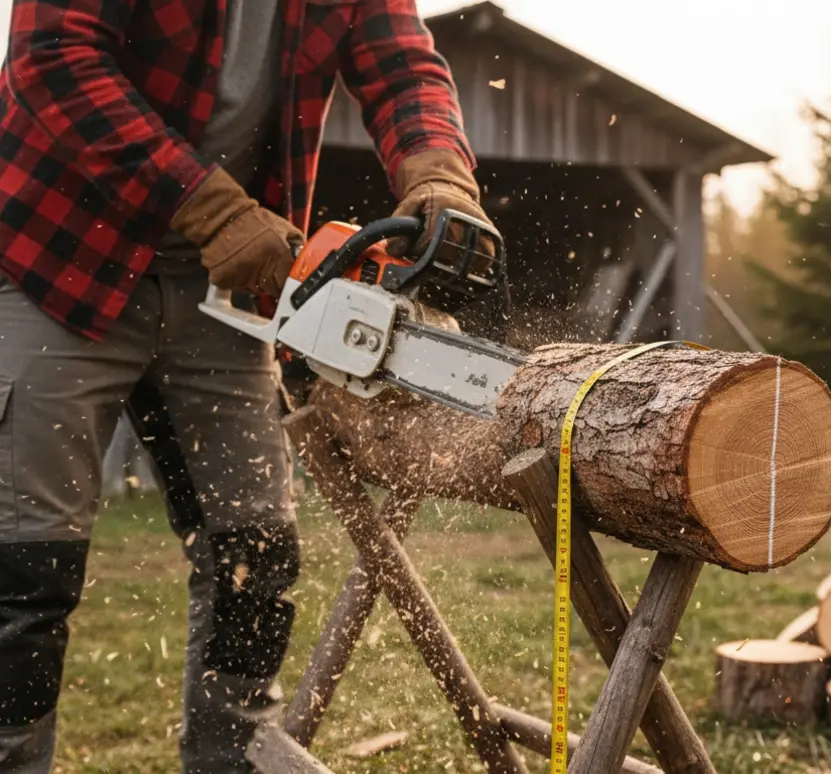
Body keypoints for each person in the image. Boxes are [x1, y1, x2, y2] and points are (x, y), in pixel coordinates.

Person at [0, 1, 496, 771]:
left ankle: (229, 758)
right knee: (26, 565)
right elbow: (55, 57)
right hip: (60, 261)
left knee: (254, 553)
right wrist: (212, 209)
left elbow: (403, 65)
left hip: (226, 288)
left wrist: (439, 172)